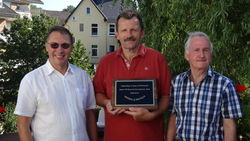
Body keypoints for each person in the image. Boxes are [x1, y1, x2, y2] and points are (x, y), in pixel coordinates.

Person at [93, 10, 172, 141]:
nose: (129, 35)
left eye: (133, 30)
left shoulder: (158, 59)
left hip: (151, 137)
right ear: (117, 34)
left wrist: (151, 116)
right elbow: (97, 94)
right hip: (115, 137)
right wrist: (107, 102)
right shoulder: (105, 62)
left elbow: (166, 96)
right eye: (124, 30)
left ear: (142, 33)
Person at [14, 26, 98, 141]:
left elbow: (90, 116)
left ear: (71, 48)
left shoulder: (83, 76)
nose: (60, 50)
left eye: (65, 45)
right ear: (46, 47)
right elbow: (22, 124)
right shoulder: (31, 80)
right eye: (54, 45)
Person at [166, 31, 243, 141]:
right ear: (187, 55)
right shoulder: (177, 82)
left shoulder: (225, 85)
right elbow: (173, 118)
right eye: (196, 50)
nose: (201, 55)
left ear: (211, 54)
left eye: (206, 50)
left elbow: (229, 127)